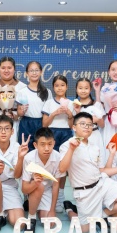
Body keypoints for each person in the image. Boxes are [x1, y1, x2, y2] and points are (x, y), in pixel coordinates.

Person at [59, 112, 117, 233]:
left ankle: (102, 215)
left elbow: (102, 170)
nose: (87, 127)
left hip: (101, 183)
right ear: (74, 127)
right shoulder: (66, 146)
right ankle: (70, 210)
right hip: (85, 192)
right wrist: (71, 149)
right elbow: (62, 169)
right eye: (82, 124)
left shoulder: (95, 147)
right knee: (84, 230)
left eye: (90, 124)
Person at [19, 127, 66, 233]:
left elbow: (56, 185)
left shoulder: (57, 157)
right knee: (39, 185)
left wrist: (52, 210)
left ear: (54, 143)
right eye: (42, 144)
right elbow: (24, 188)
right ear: (35, 145)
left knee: (50, 223)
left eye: (50, 144)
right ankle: (31, 217)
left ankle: (36, 207)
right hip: (32, 188)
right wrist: (35, 183)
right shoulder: (29, 158)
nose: (47, 148)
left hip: (48, 190)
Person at [0, 115, 28, 233]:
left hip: (9, 185)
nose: (3, 132)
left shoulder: (17, 147)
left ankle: (4, 210)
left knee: (19, 223)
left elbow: (17, 175)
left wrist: (20, 158)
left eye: (7, 128)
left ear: (12, 131)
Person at [42, 75, 75, 210]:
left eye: (62, 85)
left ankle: (60, 196)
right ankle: (49, 195)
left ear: (67, 87)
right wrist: (55, 113)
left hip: (66, 134)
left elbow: (72, 125)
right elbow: (44, 124)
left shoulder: (71, 103)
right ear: (53, 87)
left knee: (63, 167)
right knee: (52, 164)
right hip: (52, 133)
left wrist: (70, 114)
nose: (60, 88)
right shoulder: (49, 103)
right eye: (57, 85)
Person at [0, 57, 26, 142]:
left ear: (14, 69)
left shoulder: (22, 87)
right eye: (3, 68)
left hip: (14, 122)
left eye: (9, 68)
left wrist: (15, 116)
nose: (6, 70)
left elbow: (23, 112)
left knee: (13, 145)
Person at [16, 61, 50, 152]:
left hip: (41, 124)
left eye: (36, 70)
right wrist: (22, 110)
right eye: (31, 71)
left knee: (41, 150)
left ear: (41, 72)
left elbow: (49, 112)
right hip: (26, 124)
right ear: (27, 73)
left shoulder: (47, 92)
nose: (34, 73)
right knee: (25, 150)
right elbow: (19, 113)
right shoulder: (22, 92)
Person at [75, 78, 106, 163]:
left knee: (98, 161)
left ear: (90, 89)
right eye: (80, 88)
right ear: (76, 89)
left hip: (95, 135)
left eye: (86, 88)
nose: (83, 91)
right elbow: (72, 125)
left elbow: (102, 125)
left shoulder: (96, 104)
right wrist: (78, 112)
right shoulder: (75, 105)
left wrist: (97, 119)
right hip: (80, 136)